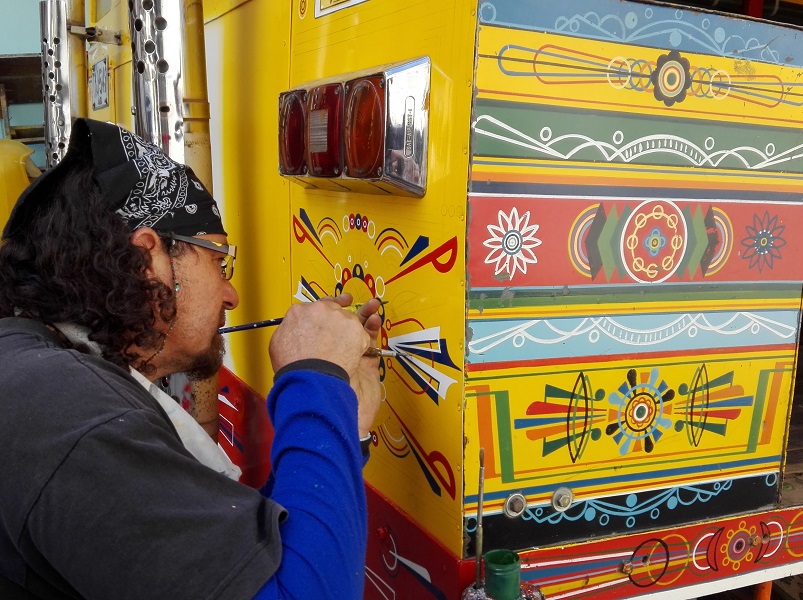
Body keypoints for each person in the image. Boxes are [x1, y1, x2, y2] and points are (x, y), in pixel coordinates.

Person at [0, 118, 382, 599]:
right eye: (220, 260)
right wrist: (314, 378)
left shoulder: (41, 372)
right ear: (147, 259)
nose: (231, 294)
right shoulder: (72, 417)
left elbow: (236, 556)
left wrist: (344, 424)